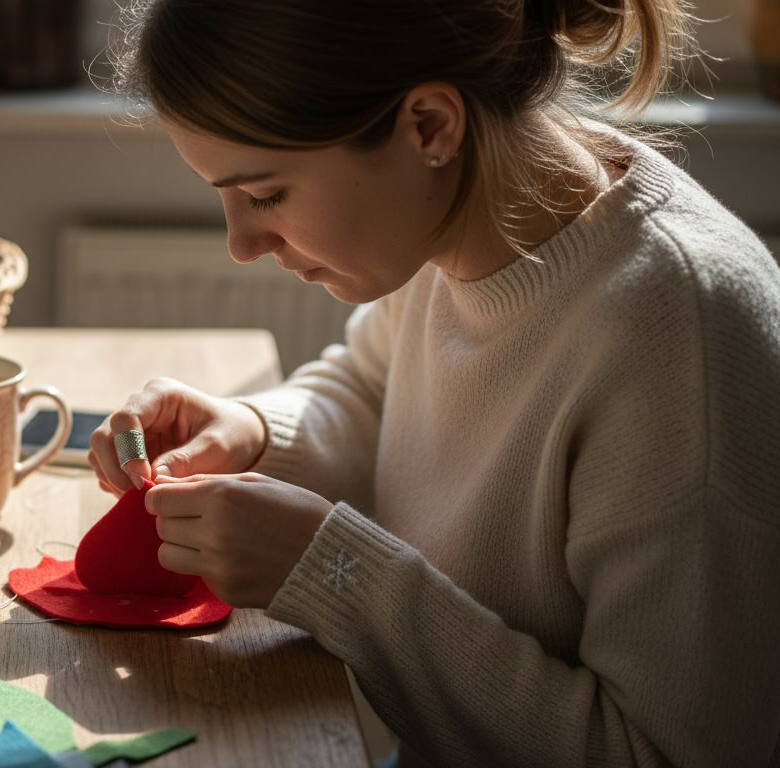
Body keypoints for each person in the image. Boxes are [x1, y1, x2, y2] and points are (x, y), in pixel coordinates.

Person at [86, 1, 780, 765]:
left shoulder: (678, 341)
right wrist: (252, 432)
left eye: (267, 195)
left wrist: (333, 576)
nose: (242, 245)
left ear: (429, 127)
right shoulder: (456, 217)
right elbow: (375, 390)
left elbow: (657, 753)